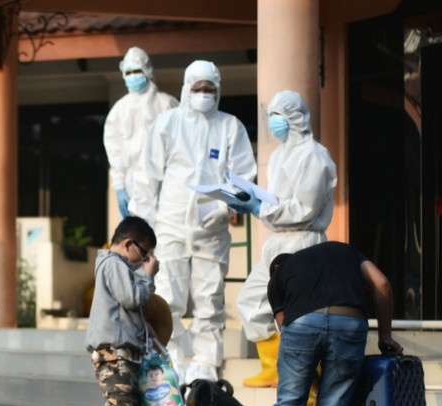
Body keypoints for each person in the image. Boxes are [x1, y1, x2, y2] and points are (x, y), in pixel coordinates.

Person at [132, 60, 257, 383]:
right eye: (198, 88)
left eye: (210, 89)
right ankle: (172, 355)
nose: (204, 95)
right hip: (170, 225)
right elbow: (147, 178)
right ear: (186, 89)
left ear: (219, 91)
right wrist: (143, 229)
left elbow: (244, 176)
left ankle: (206, 363)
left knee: (210, 300)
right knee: (167, 297)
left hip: (212, 228)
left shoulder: (230, 127)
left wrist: (235, 200)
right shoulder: (168, 124)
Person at [255, 242, 402, 406]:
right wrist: (385, 336)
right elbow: (382, 285)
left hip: (301, 324)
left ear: (275, 267)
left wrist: (314, 385)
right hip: (350, 320)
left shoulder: (278, 275)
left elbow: (285, 331)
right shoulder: (344, 250)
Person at [230, 90, 338, 388]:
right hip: (276, 241)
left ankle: (308, 386)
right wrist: (253, 200)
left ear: (295, 117)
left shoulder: (315, 156)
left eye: (278, 116)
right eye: (271, 116)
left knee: (297, 314)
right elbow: (277, 200)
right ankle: (274, 367)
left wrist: (259, 207)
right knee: (251, 301)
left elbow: (304, 208)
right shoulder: (279, 155)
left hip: (302, 243)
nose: (273, 123)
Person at [72, 216, 160, 406]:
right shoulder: (114, 263)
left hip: (126, 354)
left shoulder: (118, 266)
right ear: (128, 244)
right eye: (143, 253)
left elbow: (128, 309)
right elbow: (132, 298)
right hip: (113, 353)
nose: (144, 260)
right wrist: (149, 275)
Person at [103, 47, 178, 219]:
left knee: (167, 237)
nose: (133, 76)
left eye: (137, 70)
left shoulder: (167, 104)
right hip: (132, 185)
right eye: (128, 72)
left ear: (148, 71)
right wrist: (120, 187)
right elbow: (114, 152)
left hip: (166, 182)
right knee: (136, 240)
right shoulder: (119, 110)